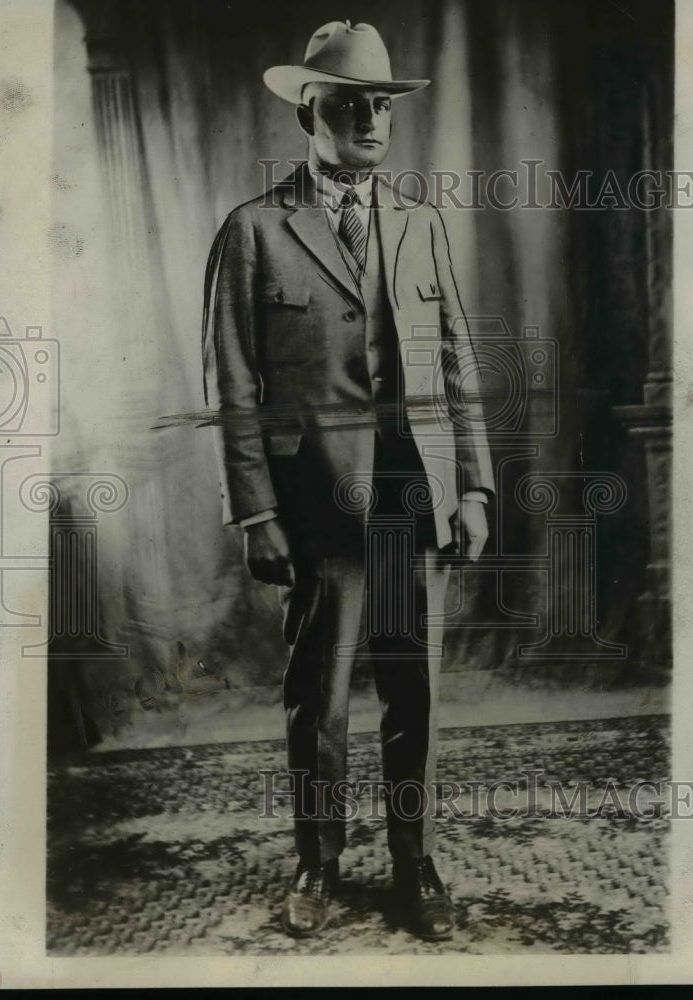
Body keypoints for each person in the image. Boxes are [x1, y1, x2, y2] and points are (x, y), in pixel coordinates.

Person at [202, 20, 494, 941]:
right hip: (315, 503)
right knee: (319, 695)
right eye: (351, 101)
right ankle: (316, 863)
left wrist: (475, 487)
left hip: (419, 494)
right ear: (308, 108)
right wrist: (255, 509)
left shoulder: (419, 223)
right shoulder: (253, 232)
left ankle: (417, 865)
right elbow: (231, 383)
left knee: (417, 688)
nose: (372, 116)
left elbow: (456, 361)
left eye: (384, 103)